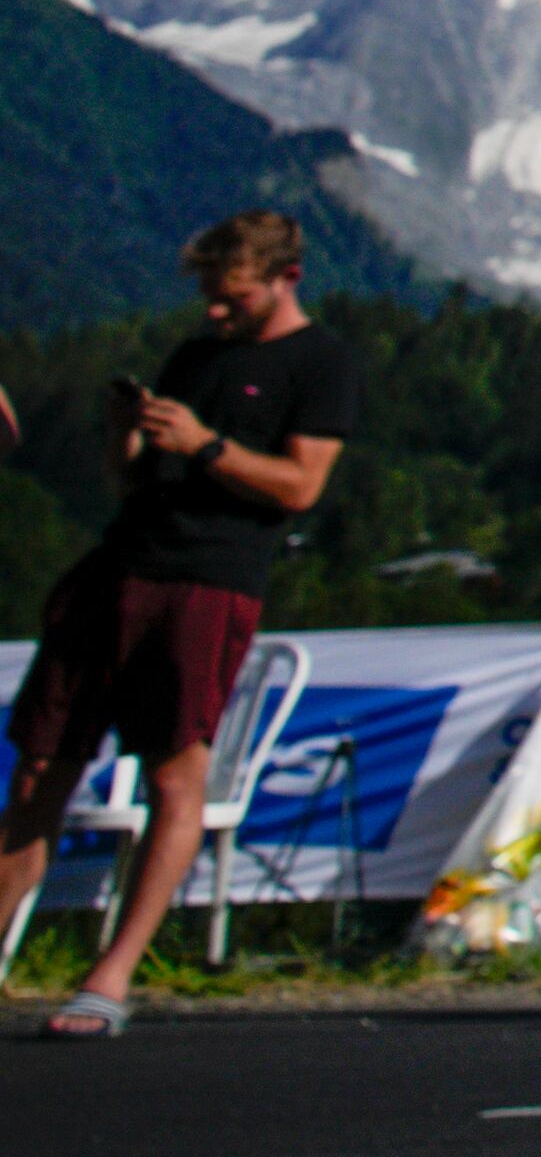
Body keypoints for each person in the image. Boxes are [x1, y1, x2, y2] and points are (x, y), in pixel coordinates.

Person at [0, 211, 360, 1037]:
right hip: (121, 565)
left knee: (173, 775)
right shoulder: (198, 355)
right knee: (38, 767)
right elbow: (135, 483)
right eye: (207, 296)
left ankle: (112, 974)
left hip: (208, 579)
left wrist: (204, 445)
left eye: (231, 298)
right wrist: (129, 436)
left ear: (285, 280)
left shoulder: (321, 362)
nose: (214, 313)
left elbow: (301, 485)